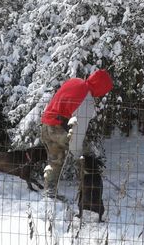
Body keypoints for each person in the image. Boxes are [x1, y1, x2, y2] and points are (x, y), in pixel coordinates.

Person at [40, 69, 113, 198]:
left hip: (46, 124)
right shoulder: (87, 102)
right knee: (86, 156)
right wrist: (78, 155)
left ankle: (49, 194)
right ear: (101, 88)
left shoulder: (75, 81)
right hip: (59, 129)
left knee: (55, 160)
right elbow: (77, 137)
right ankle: (87, 193)